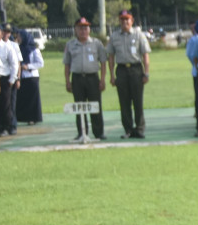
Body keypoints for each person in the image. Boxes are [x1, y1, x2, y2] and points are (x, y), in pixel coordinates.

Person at [107, 9, 152, 139]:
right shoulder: (114, 36)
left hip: (136, 69)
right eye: (122, 19)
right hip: (121, 70)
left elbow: (145, 55)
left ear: (132, 21)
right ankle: (128, 129)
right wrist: (111, 76)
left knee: (138, 101)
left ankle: (139, 129)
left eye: (127, 19)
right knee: (124, 102)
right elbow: (111, 56)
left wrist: (146, 73)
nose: (124, 22)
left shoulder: (139, 35)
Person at [62, 18, 108, 141]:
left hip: (92, 77)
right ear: (76, 30)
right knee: (79, 106)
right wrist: (67, 80)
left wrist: (102, 79)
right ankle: (82, 132)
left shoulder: (96, 43)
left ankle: (99, 132)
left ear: (89, 29)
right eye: (80, 28)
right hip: (77, 78)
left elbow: (103, 62)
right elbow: (67, 64)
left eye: (85, 27)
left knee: (95, 105)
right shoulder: (70, 44)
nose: (83, 30)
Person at [0, 25, 22, 136]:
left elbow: (15, 64)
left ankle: (7, 127)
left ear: (1, 33)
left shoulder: (7, 47)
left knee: (5, 105)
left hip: (5, 78)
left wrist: (12, 80)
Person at [15, 29, 44, 125]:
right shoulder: (18, 49)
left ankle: (33, 118)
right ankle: (22, 117)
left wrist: (28, 66)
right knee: (23, 98)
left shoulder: (34, 50)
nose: (18, 38)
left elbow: (40, 63)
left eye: (19, 36)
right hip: (22, 77)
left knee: (32, 99)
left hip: (31, 77)